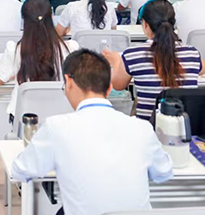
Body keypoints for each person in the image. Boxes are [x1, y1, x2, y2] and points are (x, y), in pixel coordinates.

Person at [12, 49, 174, 215]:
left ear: (69, 82)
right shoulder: (142, 128)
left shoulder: (57, 127)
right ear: (109, 88)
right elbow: (163, 172)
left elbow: (21, 170)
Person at [106, 0, 205, 120]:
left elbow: (118, 85)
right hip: (184, 126)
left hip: (147, 126)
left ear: (145, 24)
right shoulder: (192, 53)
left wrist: (116, 61)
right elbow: (203, 69)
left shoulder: (132, 55)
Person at [0, 0, 79, 117]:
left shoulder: (15, 50)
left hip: (25, 120)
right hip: (61, 118)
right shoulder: (71, 48)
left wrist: (12, 74)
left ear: (23, 20)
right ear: (51, 17)